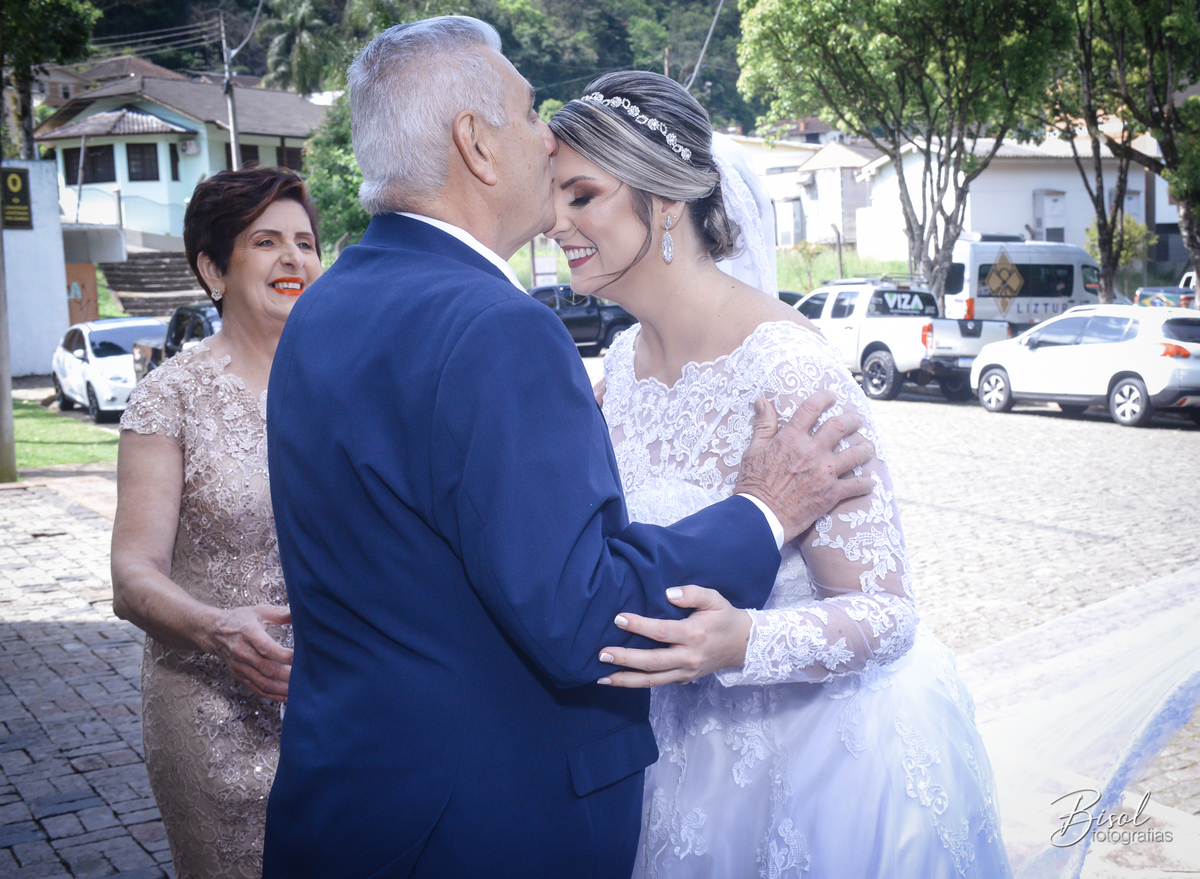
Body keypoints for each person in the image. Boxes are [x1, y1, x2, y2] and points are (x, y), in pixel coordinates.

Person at [262, 16, 876, 879]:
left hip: (349, 805)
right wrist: (762, 512)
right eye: (527, 113)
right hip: (483, 829)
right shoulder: (497, 329)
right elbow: (582, 616)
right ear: (476, 144)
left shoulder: (322, 308)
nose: (546, 137)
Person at [548, 72, 1013, 878]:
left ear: (666, 200)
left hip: (818, 763)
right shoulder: (617, 369)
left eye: (582, 196)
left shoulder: (788, 368)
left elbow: (887, 612)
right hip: (673, 756)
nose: (557, 223)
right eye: (554, 198)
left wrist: (745, 640)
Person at [110, 166, 322, 879]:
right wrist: (216, 628)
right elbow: (131, 575)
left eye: (304, 242)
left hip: (343, 707)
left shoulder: (350, 384)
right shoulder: (169, 397)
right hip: (214, 714)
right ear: (212, 269)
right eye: (266, 241)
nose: (293, 258)